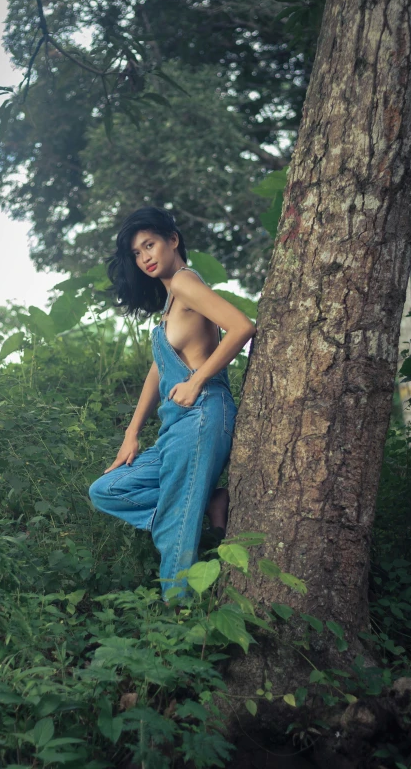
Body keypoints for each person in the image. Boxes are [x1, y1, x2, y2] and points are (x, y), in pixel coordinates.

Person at [88, 207, 256, 600]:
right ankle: (203, 505)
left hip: (201, 416)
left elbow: (243, 326)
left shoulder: (185, 282)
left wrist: (197, 380)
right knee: (106, 489)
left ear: (173, 240)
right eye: (137, 253)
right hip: (175, 427)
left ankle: (179, 618)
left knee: (175, 522)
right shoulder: (171, 303)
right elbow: (157, 373)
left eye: (150, 245)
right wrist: (131, 434)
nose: (145, 257)